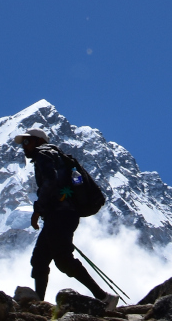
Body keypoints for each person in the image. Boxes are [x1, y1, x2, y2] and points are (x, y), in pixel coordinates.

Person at [14, 128, 117, 309]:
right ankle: (39, 303)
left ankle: (104, 298)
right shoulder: (58, 156)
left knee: (61, 258)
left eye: (26, 141)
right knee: (40, 259)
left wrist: (38, 209)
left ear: (38, 141)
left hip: (60, 215)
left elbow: (50, 181)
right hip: (62, 215)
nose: (24, 146)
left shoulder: (43, 154)